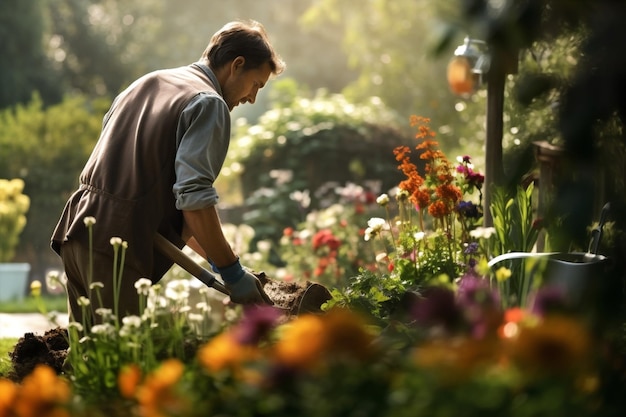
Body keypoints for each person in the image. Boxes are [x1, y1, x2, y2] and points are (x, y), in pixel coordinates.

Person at [51, 19, 285, 324]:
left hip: (80, 230)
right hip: (118, 249)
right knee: (121, 363)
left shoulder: (146, 83)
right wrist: (232, 272)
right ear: (237, 65)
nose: (252, 98)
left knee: (86, 360)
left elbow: (172, 205)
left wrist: (224, 263)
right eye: (256, 85)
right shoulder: (208, 104)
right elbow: (195, 201)